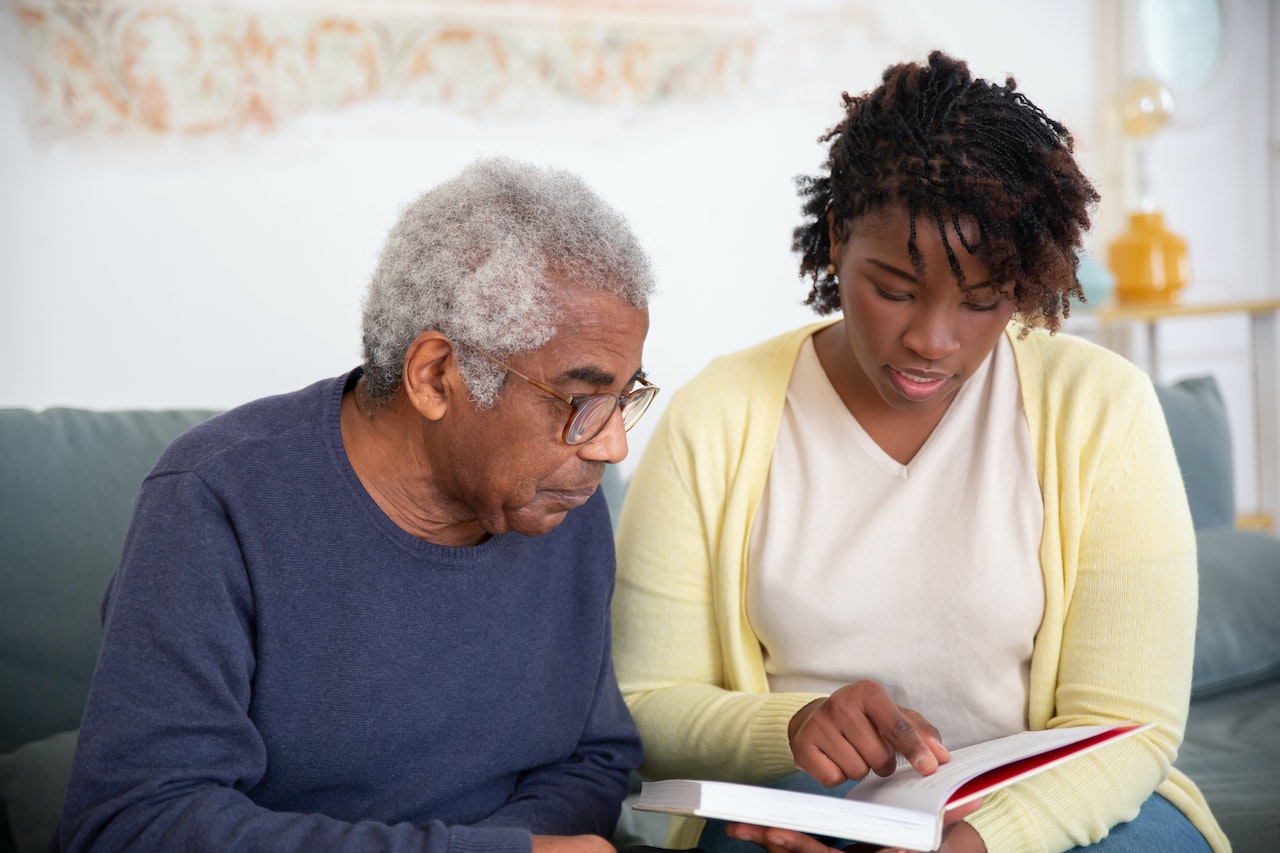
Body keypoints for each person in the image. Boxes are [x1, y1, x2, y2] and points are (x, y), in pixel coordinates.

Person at [611, 52, 1228, 853]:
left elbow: (1127, 729)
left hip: (1045, 809)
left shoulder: (1102, 410)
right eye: (895, 289)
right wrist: (789, 725)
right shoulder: (716, 417)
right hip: (812, 804)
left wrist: (973, 842)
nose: (932, 341)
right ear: (836, 240)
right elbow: (645, 702)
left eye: (982, 302)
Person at [56, 157, 659, 853]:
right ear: (436, 375)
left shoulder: (560, 500)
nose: (611, 445)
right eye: (583, 401)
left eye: (625, 396)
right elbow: (136, 821)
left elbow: (592, 757)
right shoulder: (216, 499)